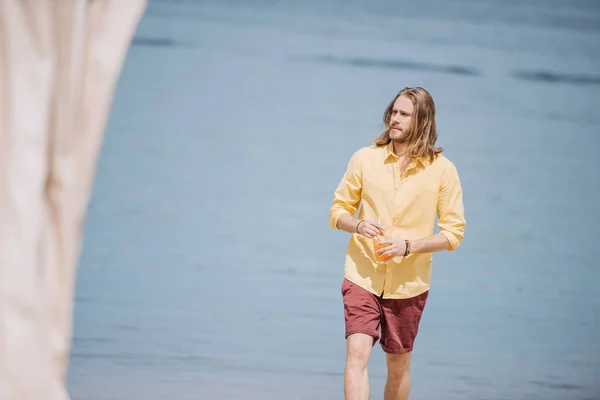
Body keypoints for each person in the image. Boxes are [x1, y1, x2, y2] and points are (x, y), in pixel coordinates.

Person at [329, 87, 466, 400]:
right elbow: (337, 212)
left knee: (398, 365)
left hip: (409, 285)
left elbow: (453, 233)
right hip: (362, 273)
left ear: (422, 121)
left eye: (404, 114)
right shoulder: (364, 159)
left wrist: (409, 246)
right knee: (357, 353)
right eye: (394, 111)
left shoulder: (443, 171)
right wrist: (359, 224)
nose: (395, 118)